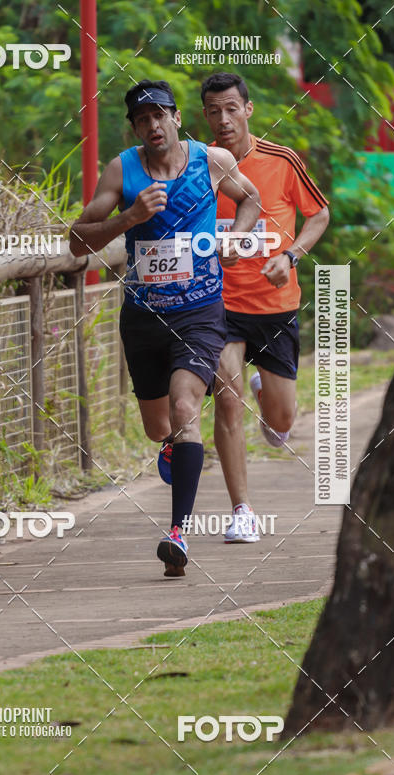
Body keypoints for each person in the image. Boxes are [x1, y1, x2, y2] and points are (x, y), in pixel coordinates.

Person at [69, 78, 260, 575]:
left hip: (200, 312)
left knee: (184, 407)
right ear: (135, 127)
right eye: (142, 119)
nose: (153, 125)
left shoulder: (211, 161)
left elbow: (251, 199)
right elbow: (76, 242)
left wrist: (234, 240)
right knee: (160, 427)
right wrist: (128, 217)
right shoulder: (122, 169)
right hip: (143, 317)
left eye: (161, 115)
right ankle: (176, 449)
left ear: (177, 118)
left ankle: (178, 534)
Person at [201, 72, 330, 544]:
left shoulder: (281, 160)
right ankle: (242, 511)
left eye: (232, 108)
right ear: (204, 116)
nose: (223, 119)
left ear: (248, 110)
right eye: (213, 110)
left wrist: (290, 255)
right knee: (227, 398)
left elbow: (319, 214)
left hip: (274, 306)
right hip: (217, 303)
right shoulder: (196, 164)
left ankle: (267, 392)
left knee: (281, 422)